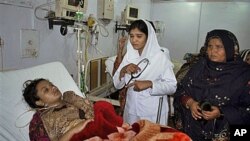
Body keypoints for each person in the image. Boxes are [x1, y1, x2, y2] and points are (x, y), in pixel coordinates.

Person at [173, 29, 250, 141]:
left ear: (229, 49)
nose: (213, 51)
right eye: (209, 46)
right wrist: (190, 103)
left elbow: (247, 107)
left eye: (219, 47)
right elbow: (180, 90)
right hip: (192, 131)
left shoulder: (244, 74)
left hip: (225, 134)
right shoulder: (199, 66)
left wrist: (221, 112)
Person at [113, 19, 177, 125]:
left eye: (139, 36)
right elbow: (117, 84)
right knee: (131, 135)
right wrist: (123, 71)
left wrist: (150, 84)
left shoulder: (160, 57)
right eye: (132, 36)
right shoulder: (129, 56)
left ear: (148, 37)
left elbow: (172, 86)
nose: (134, 40)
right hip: (131, 109)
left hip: (152, 111)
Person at [22, 78, 124, 141]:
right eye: (46, 90)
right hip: (77, 137)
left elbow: (92, 110)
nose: (53, 88)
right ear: (39, 102)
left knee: (102, 106)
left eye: (52, 85)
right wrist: (76, 129)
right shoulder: (39, 122)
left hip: (96, 127)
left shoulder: (70, 98)